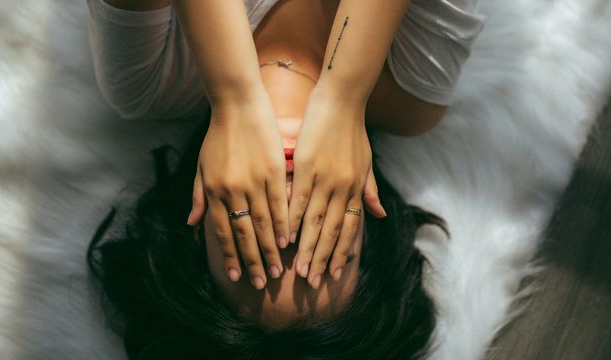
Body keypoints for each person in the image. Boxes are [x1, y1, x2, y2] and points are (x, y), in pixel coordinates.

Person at [85, 0, 482, 357]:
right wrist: (344, 93)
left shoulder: (149, 77)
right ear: (367, 222)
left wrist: (234, 96)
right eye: (322, 246)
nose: (287, 209)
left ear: (197, 221)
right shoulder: (414, 91)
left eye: (253, 244)